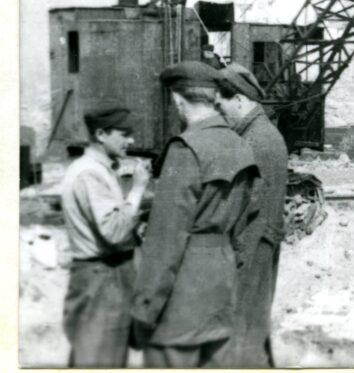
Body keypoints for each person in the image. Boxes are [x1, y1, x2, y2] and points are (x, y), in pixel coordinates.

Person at [130, 61, 260, 368]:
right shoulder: (240, 145)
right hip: (221, 289)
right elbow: (247, 216)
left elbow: (165, 240)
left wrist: (143, 309)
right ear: (214, 97)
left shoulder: (186, 149)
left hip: (180, 299)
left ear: (177, 99)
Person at [60, 107, 150, 367]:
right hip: (101, 279)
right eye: (124, 134)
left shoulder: (97, 169)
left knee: (99, 357)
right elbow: (113, 231)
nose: (131, 141)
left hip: (102, 277)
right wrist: (138, 188)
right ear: (101, 134)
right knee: (101, 360)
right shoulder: (90, 173)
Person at [215, 64, 289, 367]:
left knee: (244, 331)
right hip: (257, 243)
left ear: (241, 100)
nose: (221, 113)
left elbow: (247, 203)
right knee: (253, 327)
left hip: (250, 246)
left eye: (222, 106)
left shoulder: (255, 140)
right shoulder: (261, 134)